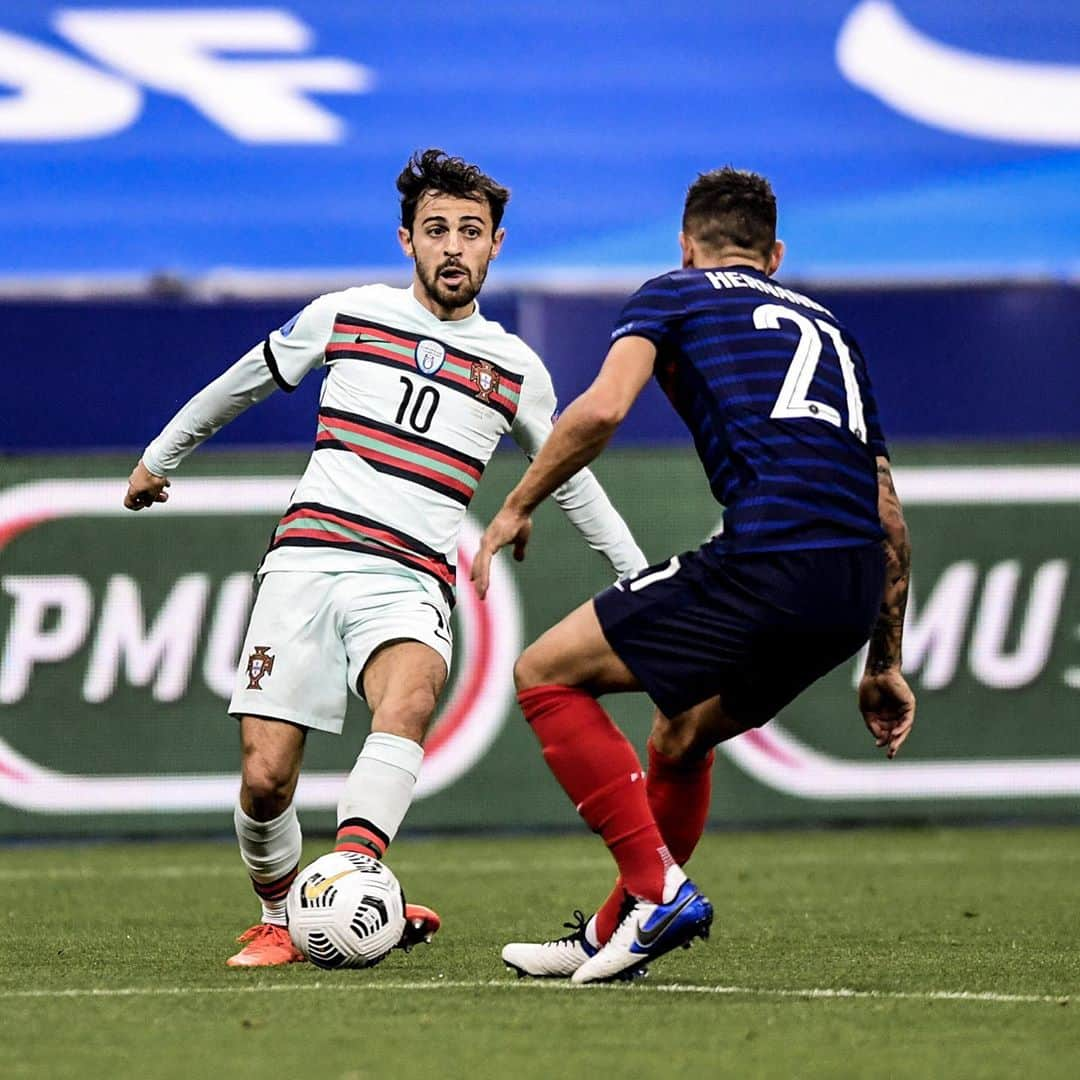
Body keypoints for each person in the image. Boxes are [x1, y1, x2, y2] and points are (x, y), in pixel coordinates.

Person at [124, 149, 647, 967]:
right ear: (407, 239)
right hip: (307, 559)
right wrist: (162, 456)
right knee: (266, 779)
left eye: (470, 232)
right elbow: (244, 382)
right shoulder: (347, 313)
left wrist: (635, 575)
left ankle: (359, 882)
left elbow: (573, 479)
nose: (452, 247)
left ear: (495, 245)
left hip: (411, 577)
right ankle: (279, 915)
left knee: (410, 697)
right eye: (436, 229)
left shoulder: (515, 368)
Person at [472, 166, 915, 984]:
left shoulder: (673, 294)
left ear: (685, 246)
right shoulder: (834, 332)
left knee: (544, 676)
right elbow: (888, 512)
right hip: (848, 587)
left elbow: (602, 410)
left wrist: (517, 504)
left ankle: (659, 890)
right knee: (681, 735)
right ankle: (617, 930)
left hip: (769, 558)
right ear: (774, 253)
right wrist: (883, 662)